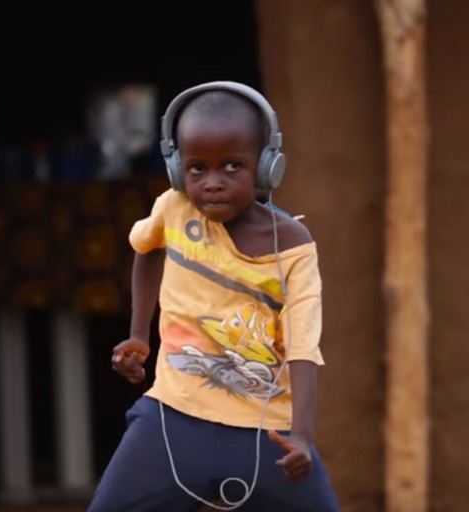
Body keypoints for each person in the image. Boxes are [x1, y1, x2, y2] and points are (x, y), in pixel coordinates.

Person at [88, 81, 341, 512]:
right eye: (196, 169)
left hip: (267, 432)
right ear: (177, 170)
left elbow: (303, 344)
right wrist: (139, 335)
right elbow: (146, 249)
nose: (212, 183)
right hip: (172, 418)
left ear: (266, 167)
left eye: (232, 167)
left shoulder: (293, 246)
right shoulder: (173, 208)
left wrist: (301, 434)